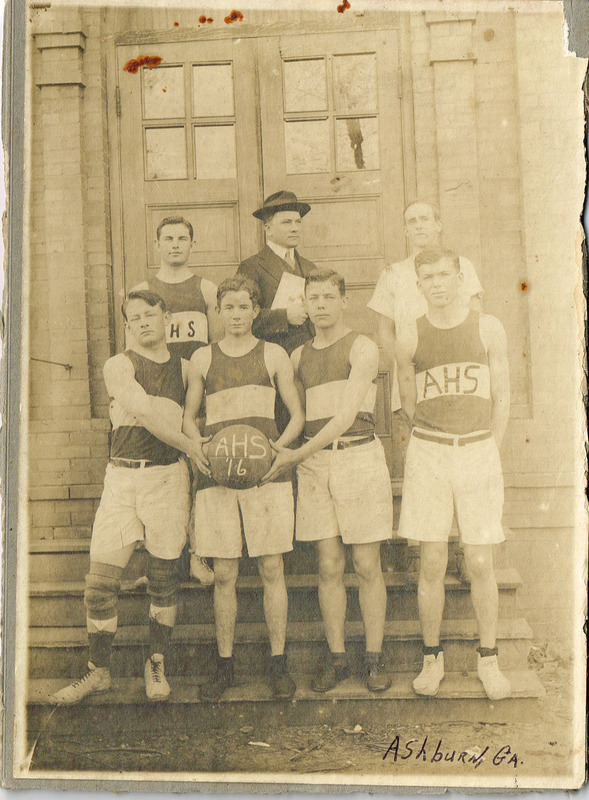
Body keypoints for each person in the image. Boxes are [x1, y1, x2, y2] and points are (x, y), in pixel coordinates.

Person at [50, 290, 207, 705]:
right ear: (127, 325)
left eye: (149, 314)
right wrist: (177, 429)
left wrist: (192, 446)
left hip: (168, 478)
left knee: (163, 580)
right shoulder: (118, 365)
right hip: (121, 477)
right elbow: (146, 410)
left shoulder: (187, 367)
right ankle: (98, 672)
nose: (142, 322)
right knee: (98, 586)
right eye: (133, 317)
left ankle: (156, 662)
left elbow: (187, 421)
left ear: (166, 316)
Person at [263, 269, 394, 693]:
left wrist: (297, 454)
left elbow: (345, 417)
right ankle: (337, 658)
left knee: (367, 564)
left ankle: (373, 659)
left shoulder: (362, 346)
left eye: (327, 297)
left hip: (358, 457)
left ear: (343, 300)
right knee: (329, 565)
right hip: (316, 467)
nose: (319, 305)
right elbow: (298, 417)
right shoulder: (298, 356)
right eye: (312, 298)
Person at [395, 247, 511, 700]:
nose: (437, 283)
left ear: (460, 277)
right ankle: (431, 657)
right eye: (428, 277)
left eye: (444, 274)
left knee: (480, 560)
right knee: (432, 561)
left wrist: (489, 449)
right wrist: (434, 439)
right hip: (430, 453)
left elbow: (502, 397)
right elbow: (408, 401)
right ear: (418, 284)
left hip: (479, 450)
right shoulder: (410, 334)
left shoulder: (487, 326)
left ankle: (489, 659)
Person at [183, 276, 305, 702]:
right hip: (217, 478)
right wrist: (196, 448)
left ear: (256, 311)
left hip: (265, 476)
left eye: (243, 307)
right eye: (228, 307)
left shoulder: (273, 353)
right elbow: (188, 417)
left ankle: (278, 663)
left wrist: (280, 451)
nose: (236, 314)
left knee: (272, 568)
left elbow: (297, 416)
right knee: (225, 575)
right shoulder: (202, 357)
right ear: (219, 311)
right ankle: (224, 664)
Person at [367, 201, 484, 578]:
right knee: (418, 470)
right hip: (411, 385)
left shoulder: (461, 267)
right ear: (404, 230)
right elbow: (384, 331)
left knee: (467, 472)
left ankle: (467, 552)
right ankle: (418, 551)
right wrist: (404, 367)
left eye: (424, 219)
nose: (418, 226)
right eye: (410, 221)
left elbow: (477, 322)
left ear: (439, 224)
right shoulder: (392, 274)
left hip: (457, 386)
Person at [133, 215, 222, 585]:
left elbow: (217, 349)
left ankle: (196, 554)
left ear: (192, 244)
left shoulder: (205, 289)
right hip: (157, 393)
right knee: (156, 475)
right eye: (167, 238)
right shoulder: (142, 288)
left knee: (197, 468)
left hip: (193, 391)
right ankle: (155, 565)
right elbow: (133, 349)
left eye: (182, 238)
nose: (174, 245)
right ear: (157, 244)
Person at [237, 191, 317, 432]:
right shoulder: (251, 266)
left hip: (306, 365)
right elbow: (241, 318)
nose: (295, 228)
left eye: (298, 222)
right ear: (267, 228)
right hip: (269, 367)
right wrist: (284, 316)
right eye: (286, 222)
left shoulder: (310, 267)